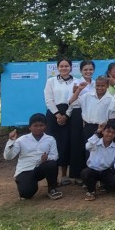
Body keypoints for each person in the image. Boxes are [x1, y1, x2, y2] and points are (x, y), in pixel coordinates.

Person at [3, 113, 61, 200]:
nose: (38, 128)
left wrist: (47, 158)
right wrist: (11, 141)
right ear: (30, 127)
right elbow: (8, 157)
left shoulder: (50, 139)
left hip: (41, 168)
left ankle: (52, 189)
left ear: (45, 126)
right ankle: (23, 183)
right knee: (26, 194)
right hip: (25, 170)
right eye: (35, 126)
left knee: (51, 164)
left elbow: (55, 155)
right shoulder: (21, 140)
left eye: (41, 125)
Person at [43, 57, 75, 186]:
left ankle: (64, 175)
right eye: (61, 66)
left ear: (71, 67)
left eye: (66, 66)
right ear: (57, 68)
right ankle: (52, 176)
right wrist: (57, 115)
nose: (64, 68)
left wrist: (66, 115)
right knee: (52, 144)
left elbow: (75, 100)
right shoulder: (51, 81)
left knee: (66, 144)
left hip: (69, 113)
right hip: (53, 114)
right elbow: (48, 100)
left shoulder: (76, 82)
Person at [81, 120, 115, 201]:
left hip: (106, 171)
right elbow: (87, 146)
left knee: (114, 183)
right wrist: (97, 132)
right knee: (86, 173)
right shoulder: (94, 142)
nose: (110, 134)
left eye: (113, 132)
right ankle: (91, 191)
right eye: (108, 131)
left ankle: (103, 184)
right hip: (93, 170)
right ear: (103, 132)